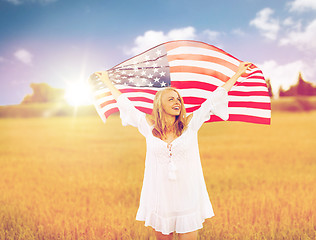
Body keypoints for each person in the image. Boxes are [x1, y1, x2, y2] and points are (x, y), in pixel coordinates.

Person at [94, 62, 252, 240]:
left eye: (178, 99)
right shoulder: (148, 126)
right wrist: (107, 81)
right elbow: (125, 103)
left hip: (187, 197)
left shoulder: (190, 125)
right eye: (171, 99)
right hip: (160, 199)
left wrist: (238, 73)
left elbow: (215, 98)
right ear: (159, 104)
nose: (177, 102)